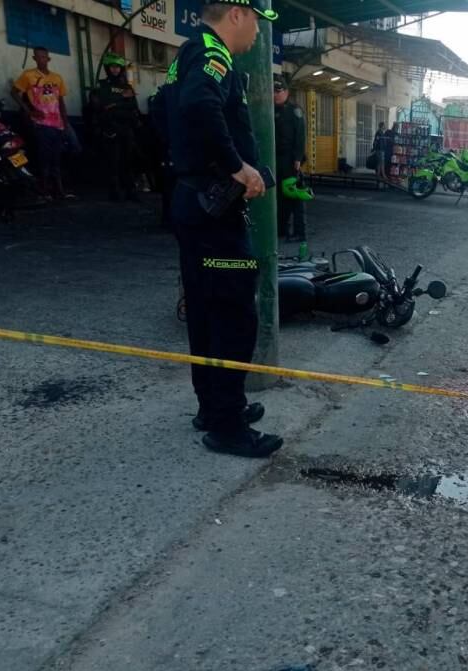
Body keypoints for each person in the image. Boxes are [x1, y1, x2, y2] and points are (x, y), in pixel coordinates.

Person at [164, 0, 282, 458]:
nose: (258, 33)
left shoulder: (189, 53)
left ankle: (213, 407)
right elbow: (198, 106)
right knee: (234, 313)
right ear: (237, 13)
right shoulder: (213, 55)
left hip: (195, 201)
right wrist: (237, 168)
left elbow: (166, 113)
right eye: (256, 19)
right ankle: (228, 425)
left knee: (206, 309)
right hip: (213, 211)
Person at [11, 47, 73, 199]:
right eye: (38, 57)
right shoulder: (28, 75)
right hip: (41, 124)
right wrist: (28, 111)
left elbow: (61, 102)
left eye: (44, 57)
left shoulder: (57, 78)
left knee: (56, 159)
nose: (41, 59)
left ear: (48, 59)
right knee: (43, 159)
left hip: (57, 124)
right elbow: (13, 92)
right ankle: (44, 191)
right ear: (34, 58)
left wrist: (65, 124)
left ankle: (59, 191)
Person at [92, 53, 141, 201]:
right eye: (113, 67)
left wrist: (116, 104)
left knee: (128, 161)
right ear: (107, 68)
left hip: (126, 128)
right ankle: (114, 192)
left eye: (118, 67)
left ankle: (130, 191)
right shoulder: (102, 85)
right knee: (113, 162)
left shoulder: (126, 86)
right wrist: (121, 103)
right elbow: (100, 106)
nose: (115, 70)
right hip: (110, 128)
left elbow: (133, 105)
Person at [273, 76, 307, 242]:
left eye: (278, 91)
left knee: (293, 195)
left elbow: (300, 136)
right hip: (276, 159)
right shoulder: (270, 109)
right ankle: (282, 229)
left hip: (290, 159)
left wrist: (297, 158)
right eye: (273, 91)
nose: (275, 95)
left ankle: (300, 232)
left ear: (286, 91)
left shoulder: (295, 111)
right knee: (279, 196)